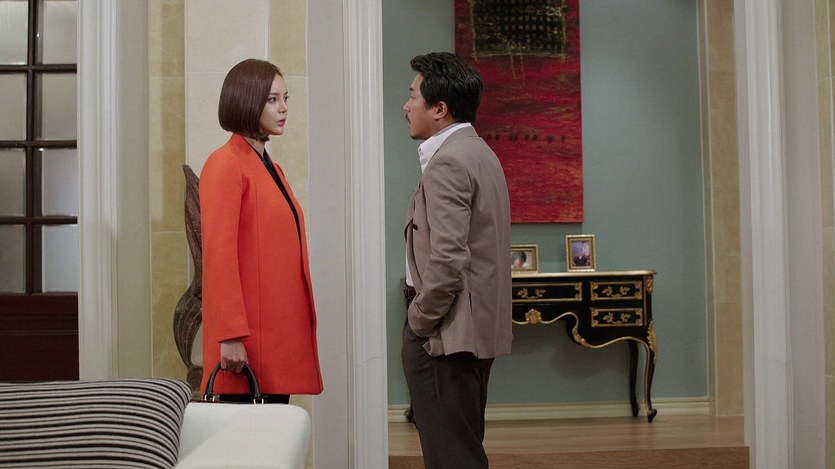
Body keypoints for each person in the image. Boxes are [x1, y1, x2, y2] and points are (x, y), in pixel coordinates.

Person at [401, 52, 512, 468]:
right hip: (468, 332)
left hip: (446, 335)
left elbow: (448, 259)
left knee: (452, 456)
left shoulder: (449, 160)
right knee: (462, 449)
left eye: (413, 96)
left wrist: (419, 320)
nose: (406, 106)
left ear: (440, 108)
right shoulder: (479, 152)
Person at [199, 59, 323, 404]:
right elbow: (219, 255)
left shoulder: (270, 167)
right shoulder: (226, 163)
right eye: (272, 99)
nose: (283, 108)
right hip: (247, 343)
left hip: (274, 338)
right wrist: (230, 334)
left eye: (286, 98)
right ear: (247, 101)